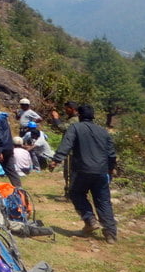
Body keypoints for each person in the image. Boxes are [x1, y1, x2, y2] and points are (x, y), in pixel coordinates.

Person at [49, 104, 118, 243]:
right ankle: (110, 234)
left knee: (75, 193)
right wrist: (111, 168)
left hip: (82, 170)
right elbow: (111, 153)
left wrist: (56, 160)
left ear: (79, 115)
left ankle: (90, 220)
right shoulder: (103, 131)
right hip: (101, 171)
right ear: (93, 116)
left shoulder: (75, 127)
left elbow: (66, 144)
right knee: (103, 201)